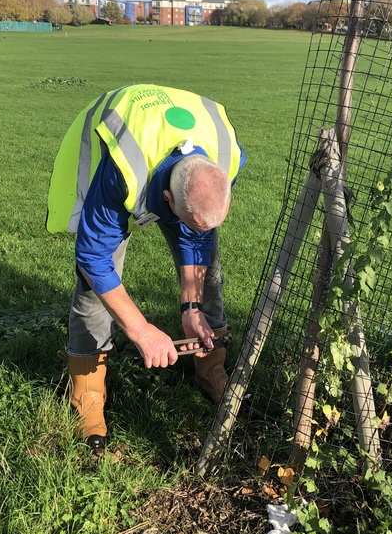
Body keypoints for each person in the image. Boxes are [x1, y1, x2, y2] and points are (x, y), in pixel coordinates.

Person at [46, 84, 245, 454]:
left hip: (176, 172)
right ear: (166, 200)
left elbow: (196, 238)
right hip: (112, 162)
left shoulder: (226, 154)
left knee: (209, 272)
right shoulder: (123, 171)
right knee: (94, 289)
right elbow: (93, 259)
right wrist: (141, 330)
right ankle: (87, 394)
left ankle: (211, 368)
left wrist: (191, 308)